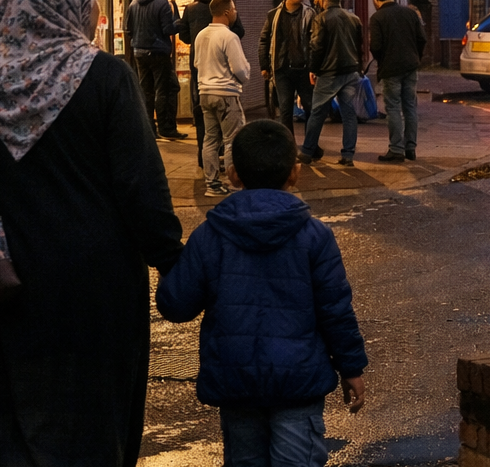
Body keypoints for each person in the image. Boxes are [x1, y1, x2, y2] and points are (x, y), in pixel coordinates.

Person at [0, 0, 183, 467]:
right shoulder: (107, 76)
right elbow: (143, 192)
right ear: (68, 7)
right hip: (97, 286)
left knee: (5, 417)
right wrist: (175, 261)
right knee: (90, 424)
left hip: (4, 279)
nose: (93, 14)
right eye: (90, 2)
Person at [156, 120, 367, 466]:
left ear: (233, 174)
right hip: (298, 382)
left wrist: (167, 260)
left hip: (236, 380)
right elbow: (336, 310)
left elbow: (176, 304)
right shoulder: (315, 237)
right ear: (295, 173)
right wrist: (352, 368)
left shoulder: (211, 236)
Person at [180, 0, 246, 165]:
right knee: (230, 130)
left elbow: (183, 36)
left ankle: (205, 160)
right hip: (224, 73)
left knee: (203, 117)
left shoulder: (191, 8)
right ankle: (229, 166)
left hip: (200, 68)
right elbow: (239, 31)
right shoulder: (226, 6)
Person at [302, 0, 365, 167]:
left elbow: (317, 47)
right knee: (349, 114)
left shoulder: (321, 19)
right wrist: (359, 69)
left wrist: (313, 69)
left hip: (330, 72)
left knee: (317, 112)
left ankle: (307, 151)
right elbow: (360, 47)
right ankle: (348, 155)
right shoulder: (354, 18)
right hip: (351, 71)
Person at [196, 0, 251, 198]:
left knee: (210, 140)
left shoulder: (201, 35)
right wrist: (246, 73)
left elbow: (196, 63)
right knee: (232, 140)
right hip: (226, 94)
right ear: (227, 12)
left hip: (205, 92)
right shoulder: (229, 37)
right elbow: (240, 69)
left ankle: (212, 184)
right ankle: (234, 183)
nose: (236, 12)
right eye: (234, 9)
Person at [369, 0, 426, 162]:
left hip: (391, 68)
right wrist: (415, 57)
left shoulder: (377, 18)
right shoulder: (409, 13)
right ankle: (411, 147)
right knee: (410, 106)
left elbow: (375, 46)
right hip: (410, 66)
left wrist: (382, 60)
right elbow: (421, 39)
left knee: (392, 107)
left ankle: (396, 148)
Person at [126, 0, 186, 139]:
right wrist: (180, 21)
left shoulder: (134, 2)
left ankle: (149, 129)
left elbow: (128, 29)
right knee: (163, 90)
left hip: (139, 52)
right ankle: (166, 128)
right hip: (158, 52)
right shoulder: (162, 4)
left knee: (146, 91)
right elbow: (168, 29)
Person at [259, 0, 316, 133]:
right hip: (281, 68)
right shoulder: (274, 15)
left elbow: (314, 42)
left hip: (303, 68)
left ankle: (311, 145)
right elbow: (264, 40)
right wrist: (264, 65)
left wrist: (314, 66)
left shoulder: (309, 13)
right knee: (285, 109)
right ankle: (288, 143)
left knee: (310, 107)